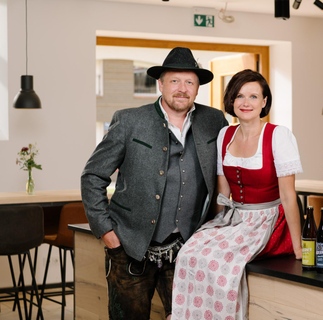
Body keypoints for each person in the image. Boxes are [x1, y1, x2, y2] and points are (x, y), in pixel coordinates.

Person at [81, 47, 228, 320]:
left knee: (189, 316)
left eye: (189, 82)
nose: (182, 88)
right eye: (174, 81)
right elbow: (93, 176)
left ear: (198, 88)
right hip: (129, 247)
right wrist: (107, 234)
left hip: (188, 247)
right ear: (160, 84)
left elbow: (230, 168)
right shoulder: (129, 121)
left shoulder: (214, 120)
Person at [171, 69, 303, 319]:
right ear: (231, 100)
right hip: (235, 218)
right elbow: (223, 192)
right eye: (240, 96)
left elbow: (288, 196)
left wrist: (298, 247)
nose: (246, 103)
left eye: (254, 97)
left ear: (264, 102)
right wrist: (212, 227)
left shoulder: (278, 135)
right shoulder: (225, 135)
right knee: (189, 252)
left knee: (222, 263)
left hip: (269, 220)